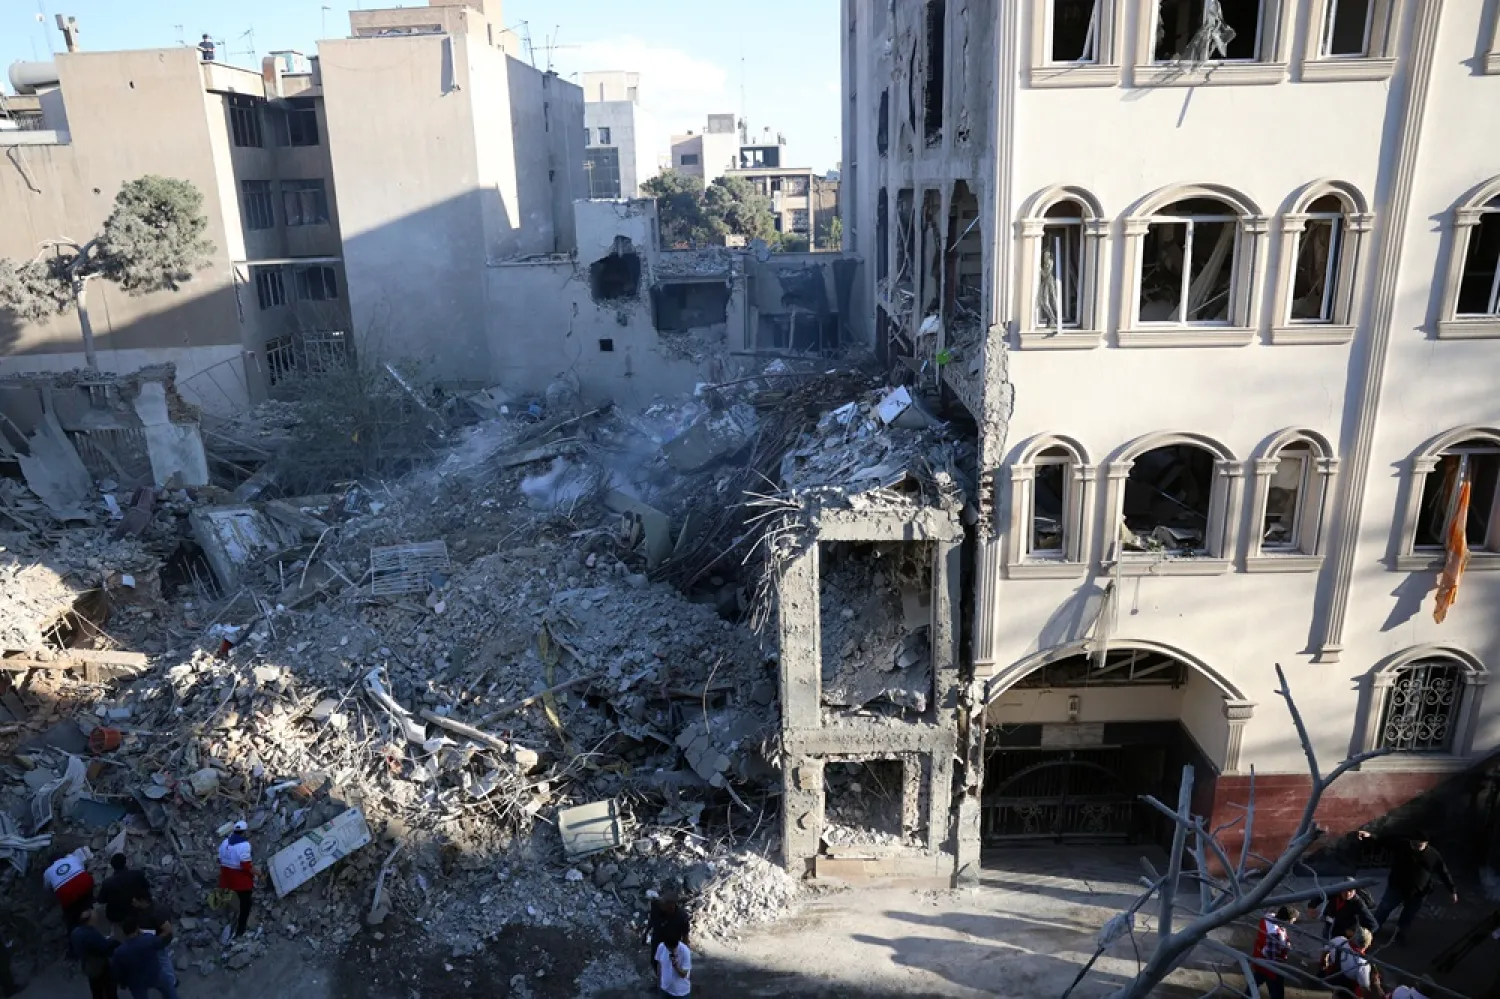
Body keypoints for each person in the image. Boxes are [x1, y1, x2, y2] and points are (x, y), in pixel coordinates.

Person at [1357, 829, 1458, 944]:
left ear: (1426, 844)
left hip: (1418, 893)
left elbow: (1443, 872)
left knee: (1408, 915)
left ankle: (1400, 934)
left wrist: (1452, 890)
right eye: (1413, 844)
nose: (1415, 847)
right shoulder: (1402, 846)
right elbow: (1384, 842)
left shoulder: (1432, 855)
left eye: (1419, 845)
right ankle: (1373, 930)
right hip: (1397, 888)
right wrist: (1370, 836)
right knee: (1384, 909)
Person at [110, 917, 177, 999]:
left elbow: (117, 971)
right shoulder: (148, 939)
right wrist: (143, 934)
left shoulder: (119, 951)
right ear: (137, 929)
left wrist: (123, 984)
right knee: (169, 989)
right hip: (154, 974)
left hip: (135, 981)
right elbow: (160, 943)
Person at [70, 907, 120, 999]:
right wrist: (114, 941)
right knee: (110, 990)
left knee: (96, 991)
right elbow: (104, 947)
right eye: (94, 914)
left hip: (88, 965)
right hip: (100, 966)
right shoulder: (91, 933)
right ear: (90, 920)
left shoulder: (76, 932)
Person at [217, 820, 255, 940]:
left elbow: (219, 859)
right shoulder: (244, 845)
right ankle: (240, 930)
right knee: (246, 904)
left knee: (232, 898)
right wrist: (259, 873)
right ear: (244, 832)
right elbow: (246, 866)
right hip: (240, 880)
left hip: (226, 879)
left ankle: (228, 915)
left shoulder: (224, 842)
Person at [43, 845, 96, 929]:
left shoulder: (47, 872)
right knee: (86, 898)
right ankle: (89, 908)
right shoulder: (72, 858)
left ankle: (74, 925)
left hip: (66, 894)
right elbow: (82, 869)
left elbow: (47, 888)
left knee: (71, 912)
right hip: (85, 882)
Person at [132, 896, 177, 991]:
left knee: (163, 960)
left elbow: (168, 930)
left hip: (159, 942)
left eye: (135, 900)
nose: (133, 903)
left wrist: (153, 940)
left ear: (142, 900)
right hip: (152, 939)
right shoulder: (144, 908)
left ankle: (171, 982)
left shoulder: (156, 912)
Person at [1252, 906, 1296, 999]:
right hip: (1271, 965)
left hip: (1259, 959)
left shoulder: (1269, 917)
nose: (1293, 923)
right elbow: (1271, 954)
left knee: (1254, 984)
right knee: (1277, 992)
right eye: (1293, 920)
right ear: (1287, 920)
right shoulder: (1275, 934)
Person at [1326, 926, 1382, 998]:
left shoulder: (1339, 941)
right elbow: (1364, 987)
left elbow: (1326, 949)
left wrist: (1325, 960)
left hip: (1334, 978)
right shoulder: (1362, 963)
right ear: (1367, 944)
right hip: (1348, 990)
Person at [99, 853, 152, 928]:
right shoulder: (138, 874)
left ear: (112, 866)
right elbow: (147, 886)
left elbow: (101, 900)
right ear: (125, 862)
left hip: (116, 916)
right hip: (135, 910)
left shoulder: (107, 883)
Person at [1309, 886, 1378, 941]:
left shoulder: (1358, 904)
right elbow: (1321, 895)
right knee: (1326, 944)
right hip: (1329, 925)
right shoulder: (1336, 892)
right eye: (1345, 890)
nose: (1347, 893)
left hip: (1342, 934)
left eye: (1350, 891)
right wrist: (1311, 906)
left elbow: (1373, 925)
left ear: (1355, 891)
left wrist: (1356, 934)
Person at [646, 891, 690, 975]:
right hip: (657, 941)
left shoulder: (682, 917)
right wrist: (646, 933)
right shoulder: (656, 907)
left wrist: (685, 953)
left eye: (663, 905)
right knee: (655, 961)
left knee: (670, 965)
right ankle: (659, 980)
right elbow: (652, 920)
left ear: (671, 906)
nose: (661, 906)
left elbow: (685, 936)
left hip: (672, 945)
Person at [654, 928, 692, 997]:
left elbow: (684, 975)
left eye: (674, 947)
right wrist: (659, 982)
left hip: (680, 992)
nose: (672, 950)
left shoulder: (685, 951)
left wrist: (676, 966)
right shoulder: (661, 947)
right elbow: (659, 965)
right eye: (669, 948)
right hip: (665, 989)